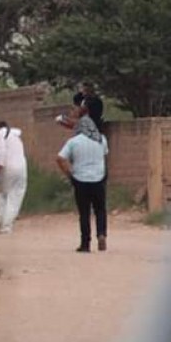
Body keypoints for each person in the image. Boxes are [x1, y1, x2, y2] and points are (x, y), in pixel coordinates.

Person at [56, 108, 109, 252]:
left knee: (84, 213)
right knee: (100, 210)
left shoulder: (74, 142)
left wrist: (69, 173)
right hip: (98, 179)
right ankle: (101, 234)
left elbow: (60, 158)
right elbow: (104, 157)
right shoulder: (101, 139)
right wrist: (103, 174)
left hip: (80, 180)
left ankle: (85, 244)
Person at [0, 121, 28, 234]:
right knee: (15, 197)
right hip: (22, 168)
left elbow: (1, 152)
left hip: (8, 167)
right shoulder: (16, 137)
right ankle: (6, 226)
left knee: (0, 193)